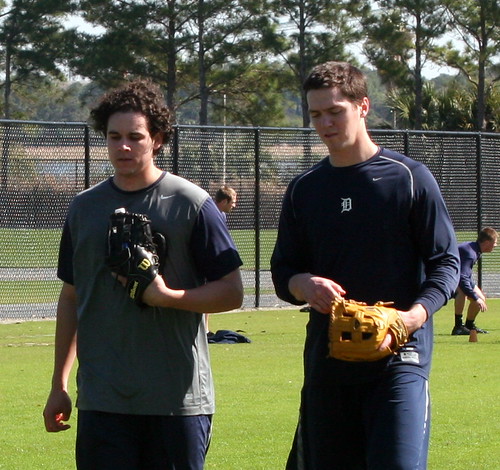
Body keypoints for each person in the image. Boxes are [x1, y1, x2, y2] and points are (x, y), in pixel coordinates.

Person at [42, 79, 244, 470]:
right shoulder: (84, 208)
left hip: (177, 400)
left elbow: (232, 292)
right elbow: (71, 297)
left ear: (158, 138)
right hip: (103, 399)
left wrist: (167, 297)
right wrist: (59, 386)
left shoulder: (192, 203)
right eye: (114, 136)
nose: (123, 146)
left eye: (135, 136)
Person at [271, 61, 460, 469]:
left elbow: (447, 262)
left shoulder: (408, 178)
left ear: (362, 106)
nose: (325, 122)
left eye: (335, 111)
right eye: (316, 114)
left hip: (399, 360)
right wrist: (304, 285)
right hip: (328, 362)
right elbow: (283, 272)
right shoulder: (304, 190)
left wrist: (413, 317)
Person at [452, 227, 497, 335]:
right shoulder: (470, 253)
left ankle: (469, 326)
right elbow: (462, 278)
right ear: (487, 242)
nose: (496, 245)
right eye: (494, 242)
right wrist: (475, 297)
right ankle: (458, 327)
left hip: (460, 276)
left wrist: (477, 297)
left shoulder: (475, 249)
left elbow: (465, 276)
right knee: (462, 293)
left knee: (481, 298)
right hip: (447, 275)